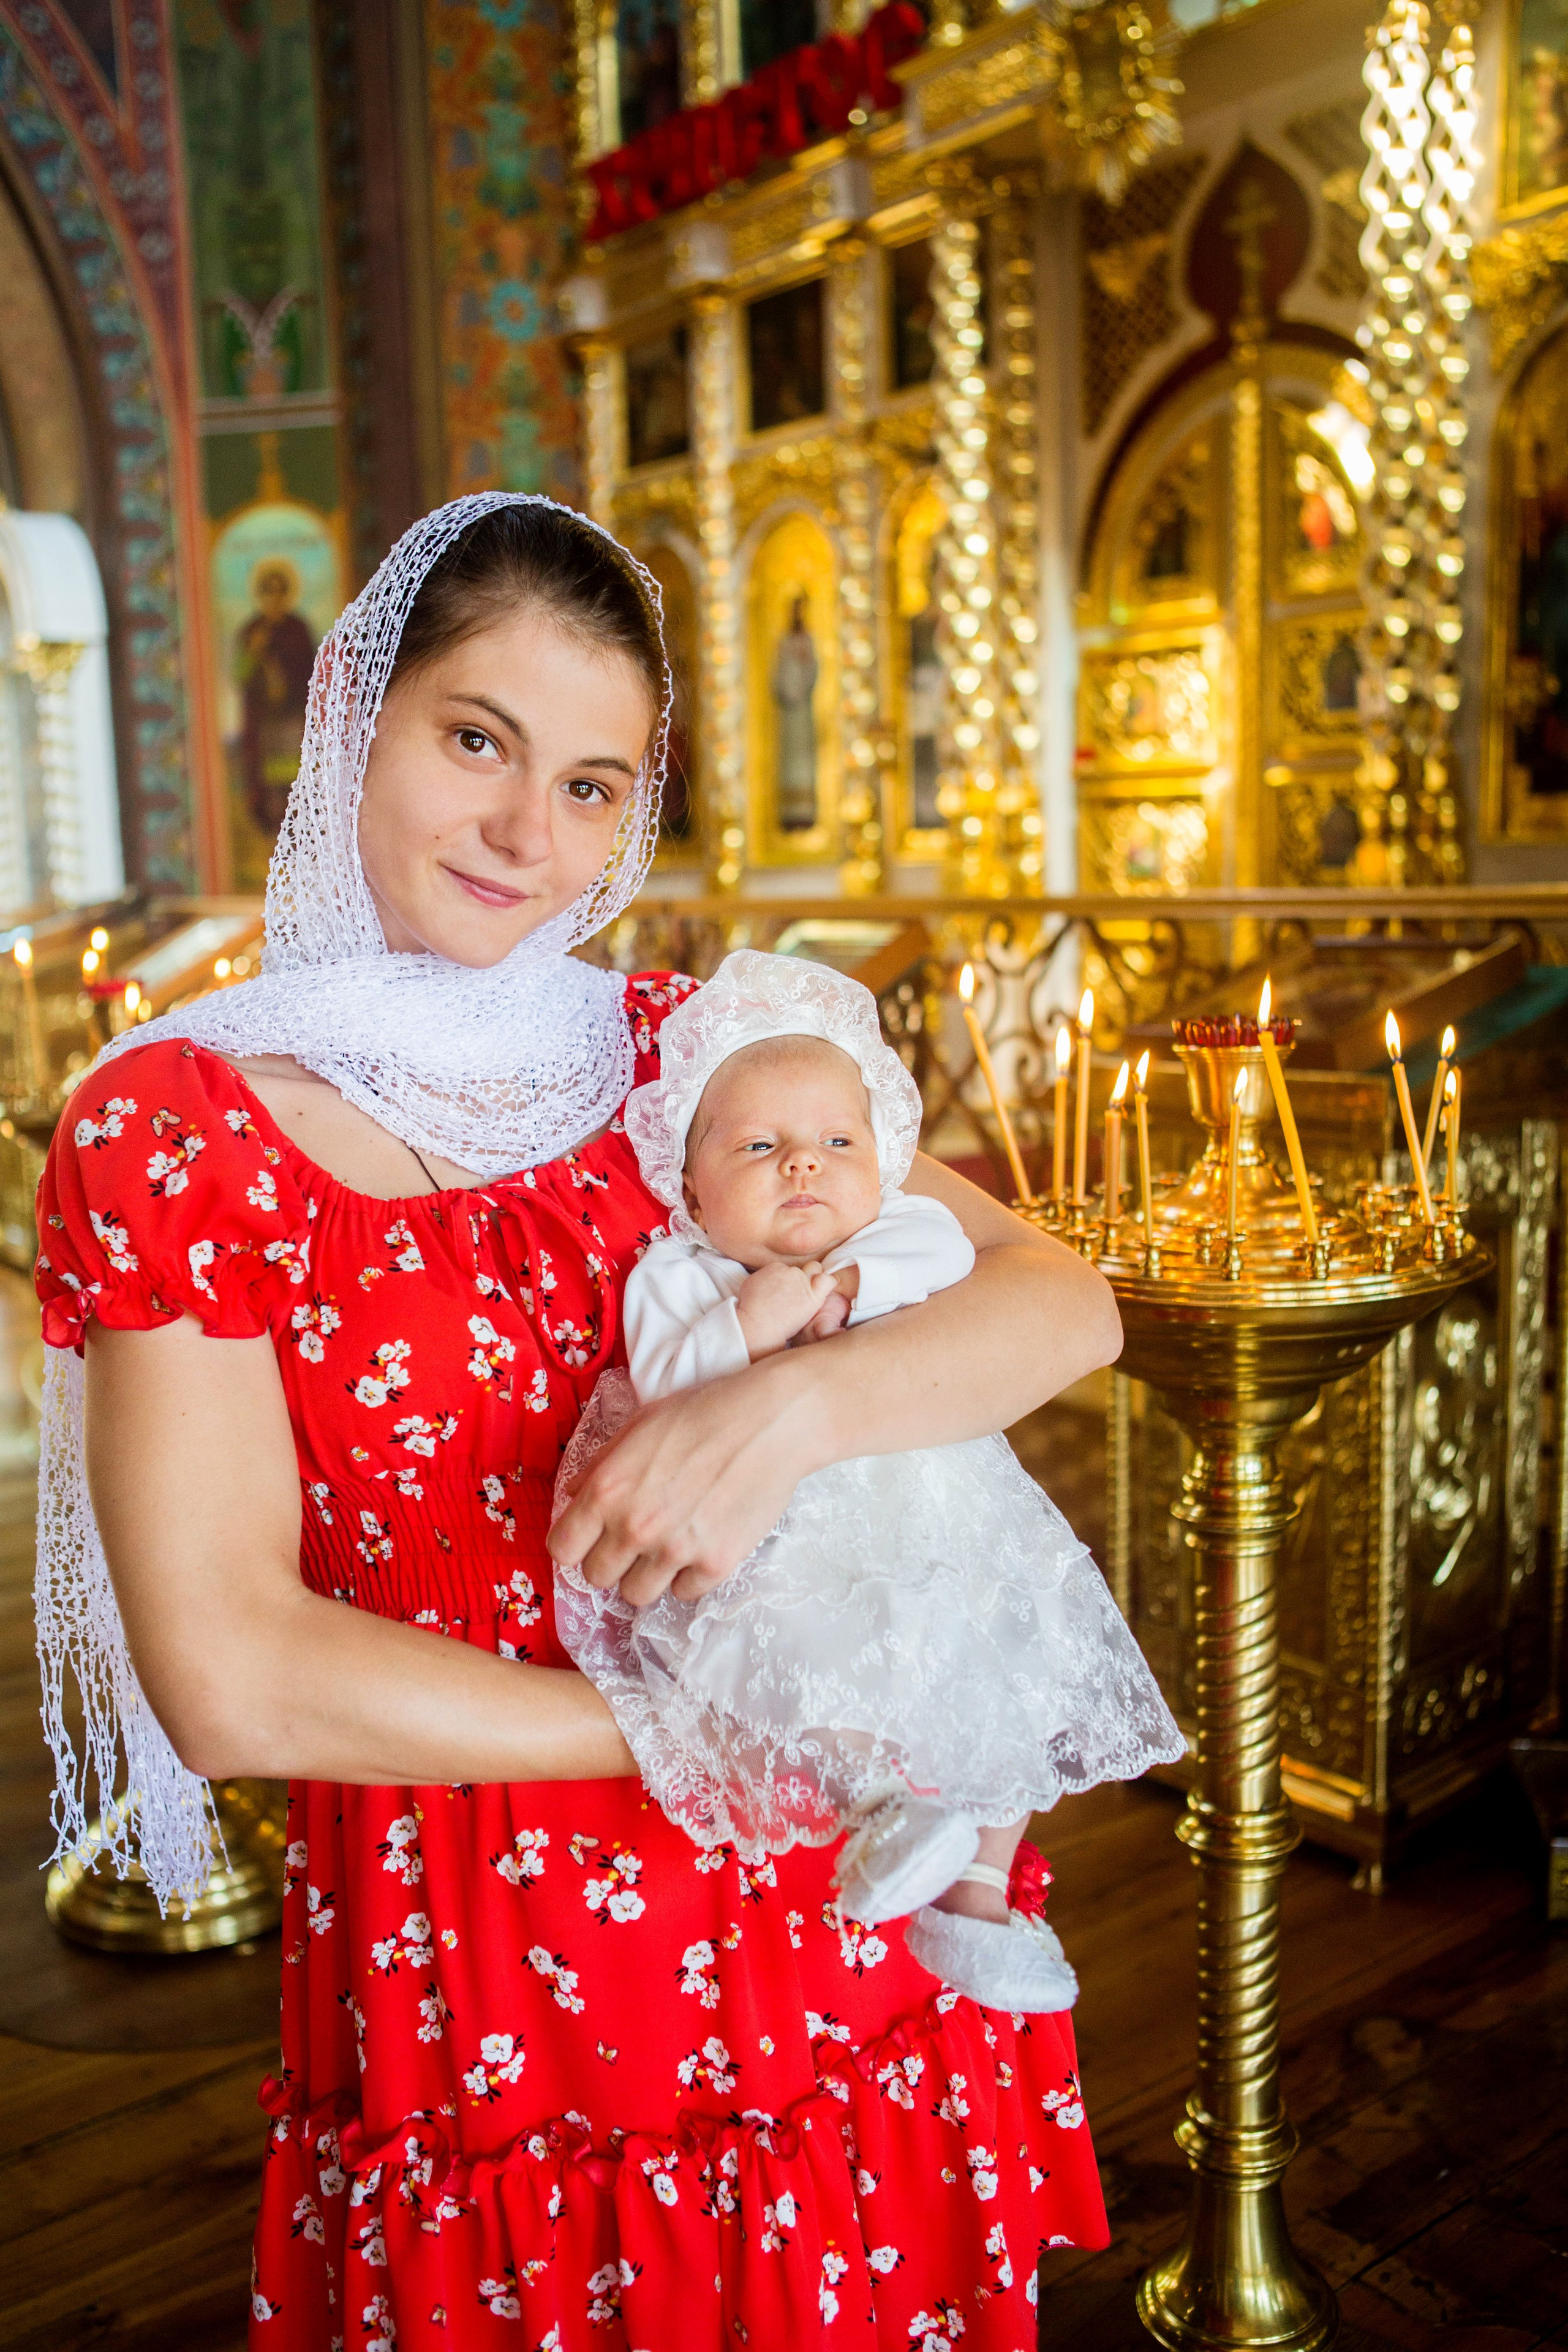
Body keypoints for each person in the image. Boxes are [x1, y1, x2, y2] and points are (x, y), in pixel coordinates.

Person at [34, 493, 1124, 2350]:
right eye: (479, 741)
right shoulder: (178, 1130)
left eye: (599, 784)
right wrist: (689, 1733)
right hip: (503, 1933)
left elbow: (1059, 1298)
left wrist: (793, 1418)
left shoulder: (683, 1053)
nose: (533, 835)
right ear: (351, 716)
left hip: (826, 1891)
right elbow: (228, 1670)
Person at [552, 949, 1184, 2013]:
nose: (804, 1165)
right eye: (760, 1147)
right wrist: (749, 1322)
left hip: (939, 1520)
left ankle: (979, 1894)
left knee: (1003, 1668)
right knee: (805, 1655)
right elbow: (668, 1386)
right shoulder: (682, 1274)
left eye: (837, 1144)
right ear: (690, 1186)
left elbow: (944, 1260)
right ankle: (887, 1806)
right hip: (792, 1544)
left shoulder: (897, 1231)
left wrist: (844, 1280)